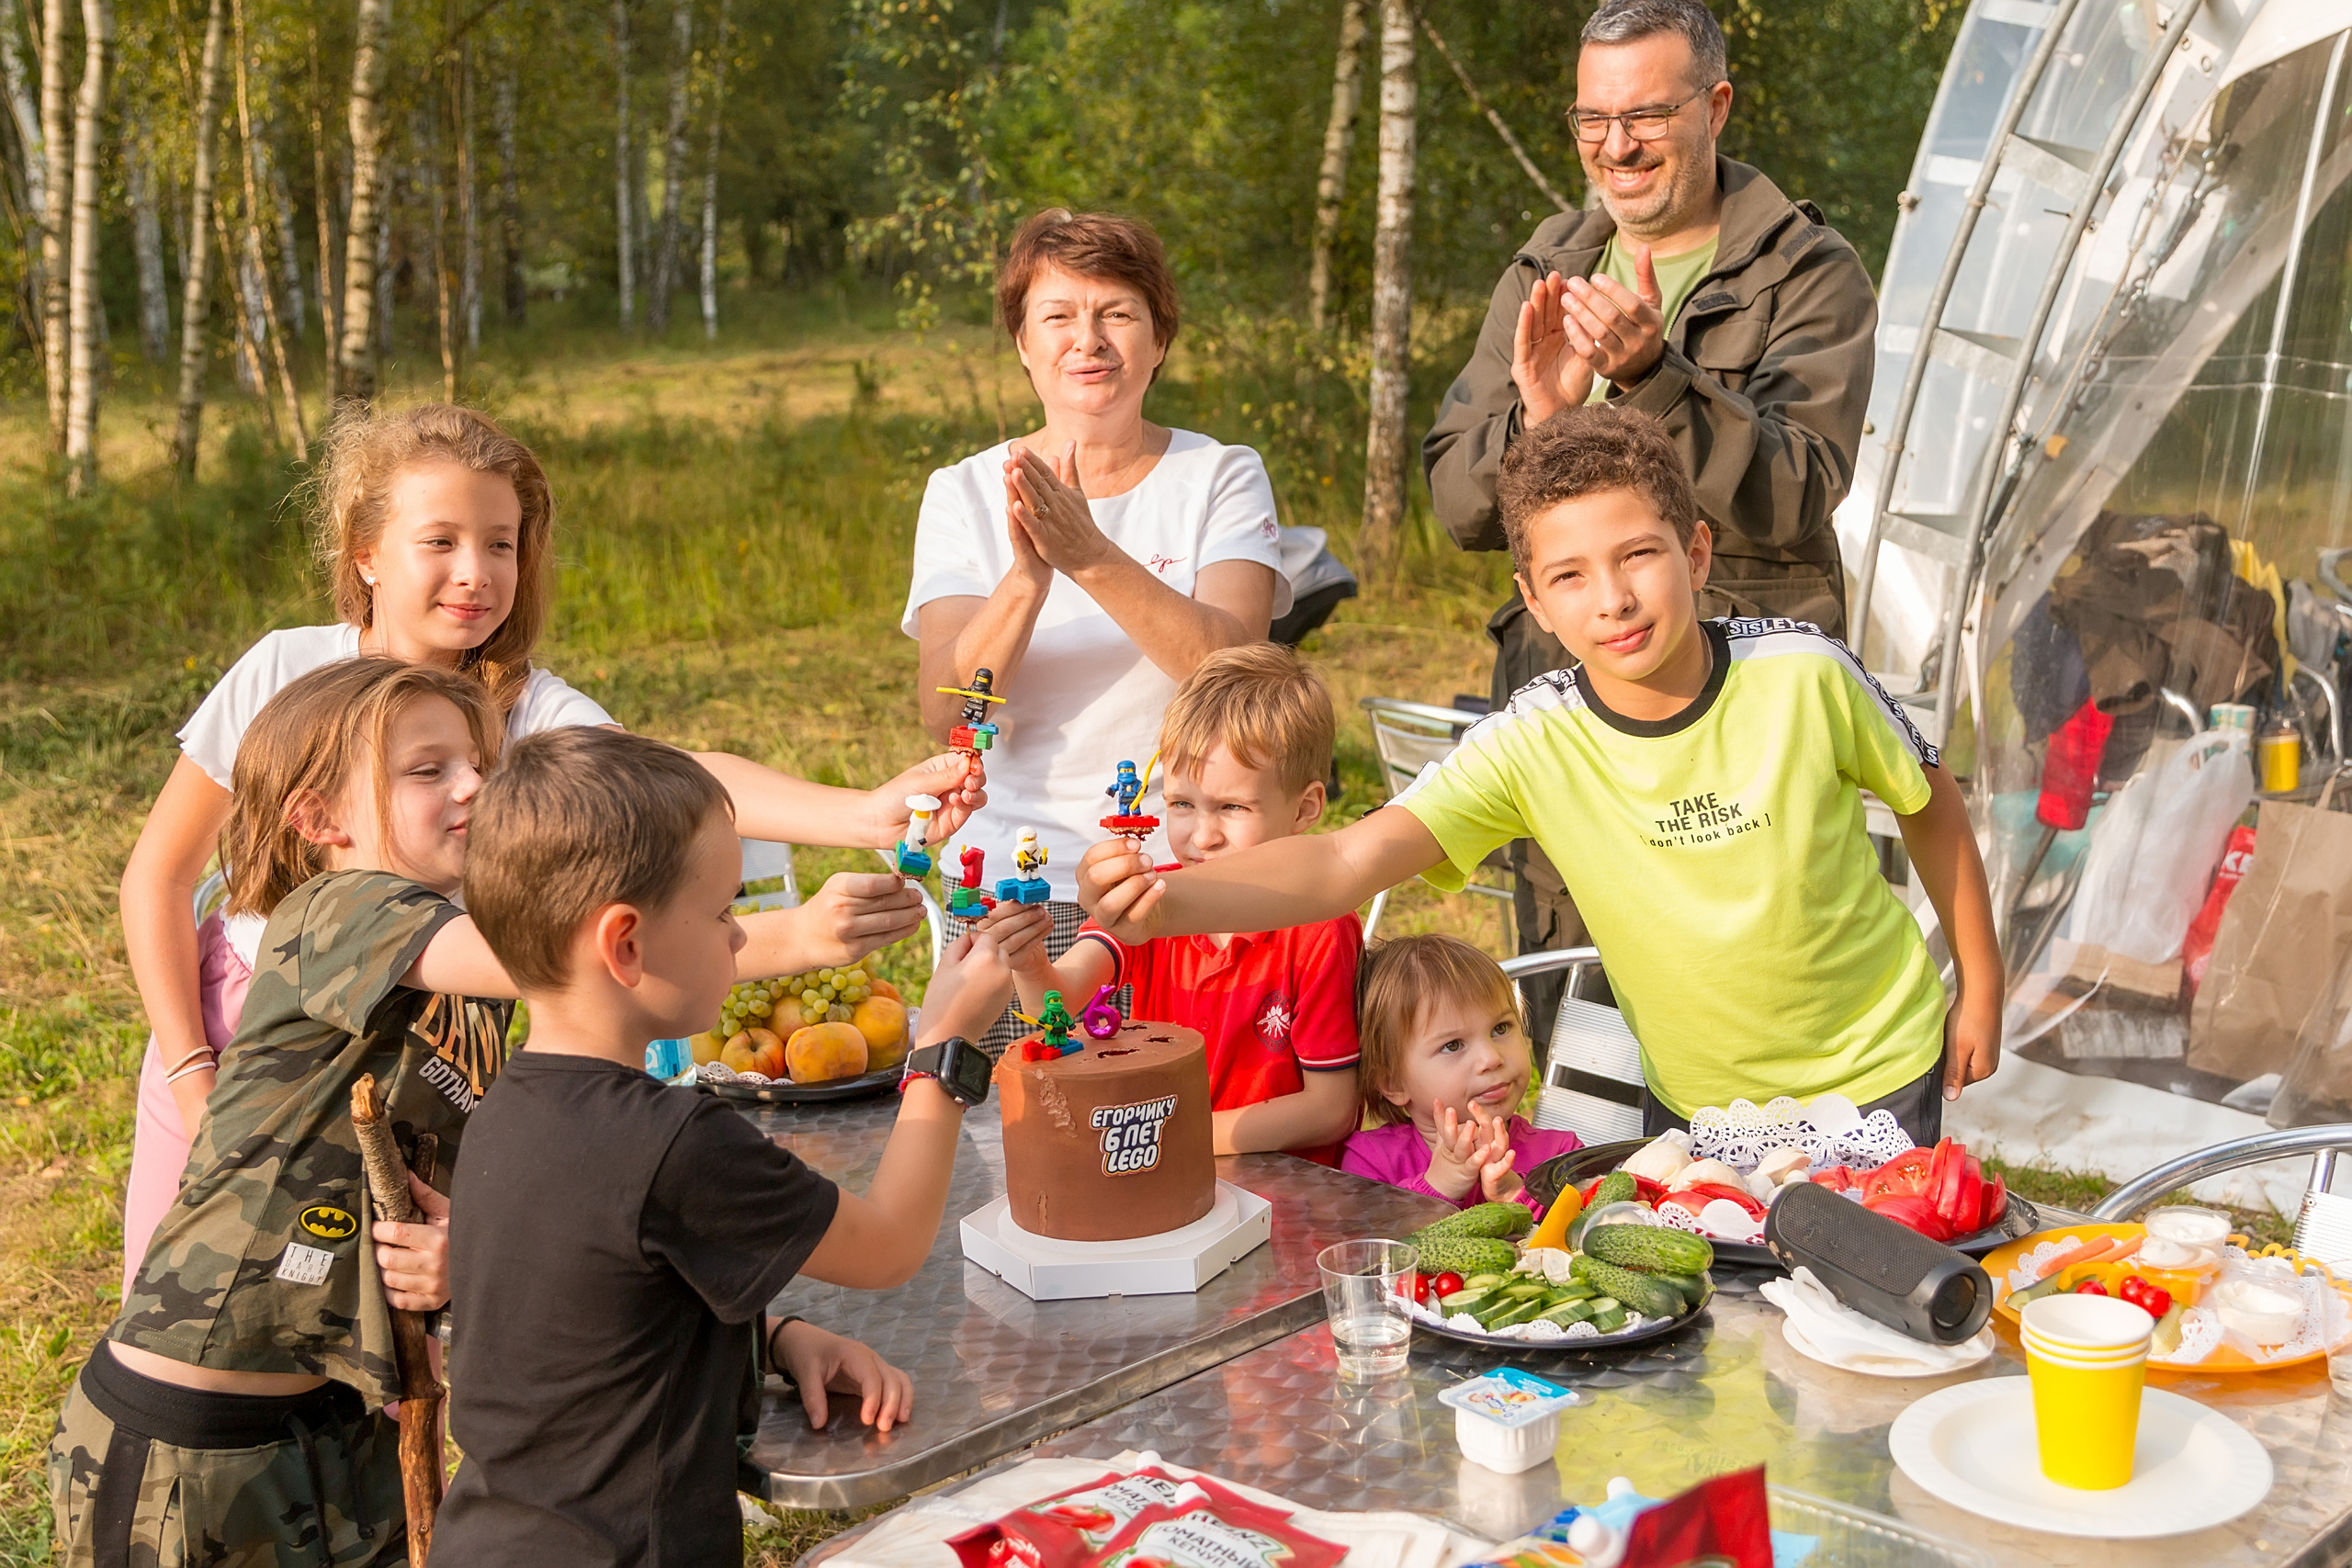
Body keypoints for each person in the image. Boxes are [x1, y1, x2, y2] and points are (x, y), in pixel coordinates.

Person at [56, 658, 922, 1566]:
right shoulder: (330, 912)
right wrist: (791, 935)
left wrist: (768, 1335)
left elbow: (561, 1229)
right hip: (196, 1435)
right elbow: (577, 959)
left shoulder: (471, 986)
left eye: (479, 761)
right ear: (320, 819)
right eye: (428, 771)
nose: (473, 784)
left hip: (333, 1423)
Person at [118, 402, 979, 1288]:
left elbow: (671, 776)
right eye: (440, 541)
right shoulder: (283, 672)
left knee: (376, 1322)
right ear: (366, 553)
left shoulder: (526, 711)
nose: (476, 573)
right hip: (235, 1039)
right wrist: (192, 1074)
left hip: (429, 1050)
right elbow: (160, 876)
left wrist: (867, 815)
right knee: (190, 1286)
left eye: (501, 543)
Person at [1080, 409, 2002, 1146]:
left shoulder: (1805, 671)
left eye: (1639, 554)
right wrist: (1166, 904)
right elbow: (1341, 864)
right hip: (1697, 1103)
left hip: (1877, 1072)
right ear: (1533, 600)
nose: (1612, 599)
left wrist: (1982, 986)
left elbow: (1929, 802)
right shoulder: (1530, 739)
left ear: (1697, 552)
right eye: (1569, 576)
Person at [432, 727, 1036, 1567]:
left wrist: (777, 1336)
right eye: (721, 913)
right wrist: (942, 1046)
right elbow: (893, 1244)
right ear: (626, 944)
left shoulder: (507, 1111)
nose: (742, 938)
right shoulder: (675, 1141)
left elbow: (593, 1324)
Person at [1421, 0, 1879, 1013]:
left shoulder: (1808, 271)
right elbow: (1458, 501)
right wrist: (1540, 425)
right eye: (1592, 119)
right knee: (1582, 1017)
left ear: (1715, 106)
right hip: (1571, 702)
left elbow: (1799, 486)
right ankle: (1599, 1168)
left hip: (1742, 714)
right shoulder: (1552, 263)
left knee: (1752, 1004)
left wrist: (1652, 377)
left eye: (1647, 115)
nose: (1616, 146)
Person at [906, 208, 1289, 1050]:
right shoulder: (963, 492)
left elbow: (1237, 672)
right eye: (1058, 317)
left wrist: (1089, 555)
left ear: (1159, 341)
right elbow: (947, 720)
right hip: (1018, 892)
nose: (1091, 340)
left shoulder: (1220, 472)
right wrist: (1026, 580)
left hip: (1187, 880)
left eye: (1117, 313)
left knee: (1199, 1139)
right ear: (1023, 345)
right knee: (1021, 1138)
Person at [1009, 645, 1361, 1161]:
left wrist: (1176, 1138)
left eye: (1232, 807)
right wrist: (1028, 959)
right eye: (1181, 804)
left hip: (1281, 1195)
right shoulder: (1153, 902)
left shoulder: (1319, 928)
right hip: (1162, 1174)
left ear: (1305, 807)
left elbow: (1331, 1108)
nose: (1202, 836)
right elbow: (1051, 1005)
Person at [1340, 934, 1584, 1212]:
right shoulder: (1371, 1162)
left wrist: (1517, 1195)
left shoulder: (1560, 1155)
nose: (1491, 1058)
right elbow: (1365, 1246)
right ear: (1392, 1082)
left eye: (1501, 1028)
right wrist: (1436, 1189)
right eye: (1452, 1045)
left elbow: (1585, 1236)